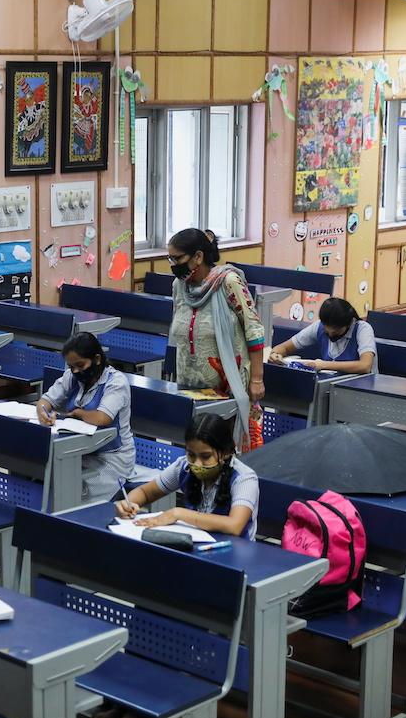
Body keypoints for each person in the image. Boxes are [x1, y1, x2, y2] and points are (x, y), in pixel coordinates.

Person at [167, 228, 266, 450]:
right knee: (197, 447)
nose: (173, 265)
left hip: (226, 384)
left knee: (223, 449)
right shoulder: (178, 286)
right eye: (170, 258)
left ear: (198, 257)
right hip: (189, 382)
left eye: (178, 258)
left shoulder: (228, 282)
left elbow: (254, 329)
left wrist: (257, 379)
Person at [115, 414, 259, 539]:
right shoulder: (183, 467)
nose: (197, 463)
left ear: (227, 452)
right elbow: (145, 492)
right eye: (191, 454)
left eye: (206, 456)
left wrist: (178, 514)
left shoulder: (244, 479)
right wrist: (128, 504)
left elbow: (234, 525)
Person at [36, 332, 135, 502]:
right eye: (71, 366)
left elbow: (102, 418)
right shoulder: (72, 376)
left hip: (110, 459)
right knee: (43, 477)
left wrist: (78, 413)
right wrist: (44, 413)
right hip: (78, 451)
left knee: (73, 492)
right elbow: (45, 400)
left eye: (80, 365)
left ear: (97, 359)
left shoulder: (116, 382)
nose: (76, 371)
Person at [268, 297, 377, 374]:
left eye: (336, 332)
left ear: (349, 324)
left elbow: (365, 366)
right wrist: (275, 354)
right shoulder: (319, 326)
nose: (330, 334)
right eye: (326, 330)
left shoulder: (363, 329)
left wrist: (323, 365)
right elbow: (285, 347)